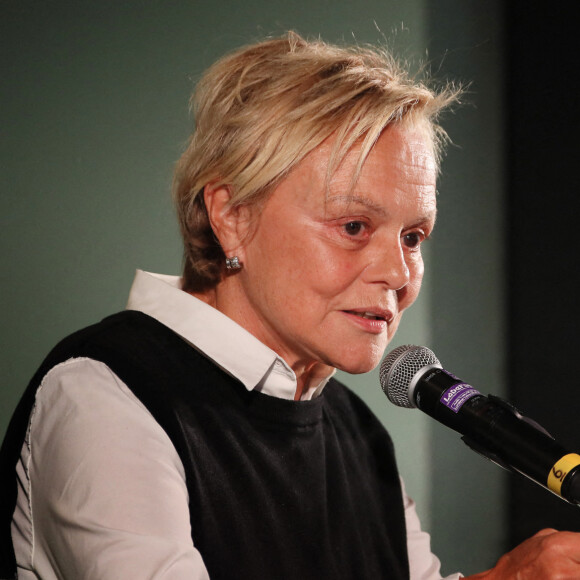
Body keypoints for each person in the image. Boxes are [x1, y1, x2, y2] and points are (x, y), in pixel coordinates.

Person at [1, 31, 580, 580]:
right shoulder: (106, 392)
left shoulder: (357, 433)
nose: (398, 274)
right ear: (232, 216)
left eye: (413, 237)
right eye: (354, 226)